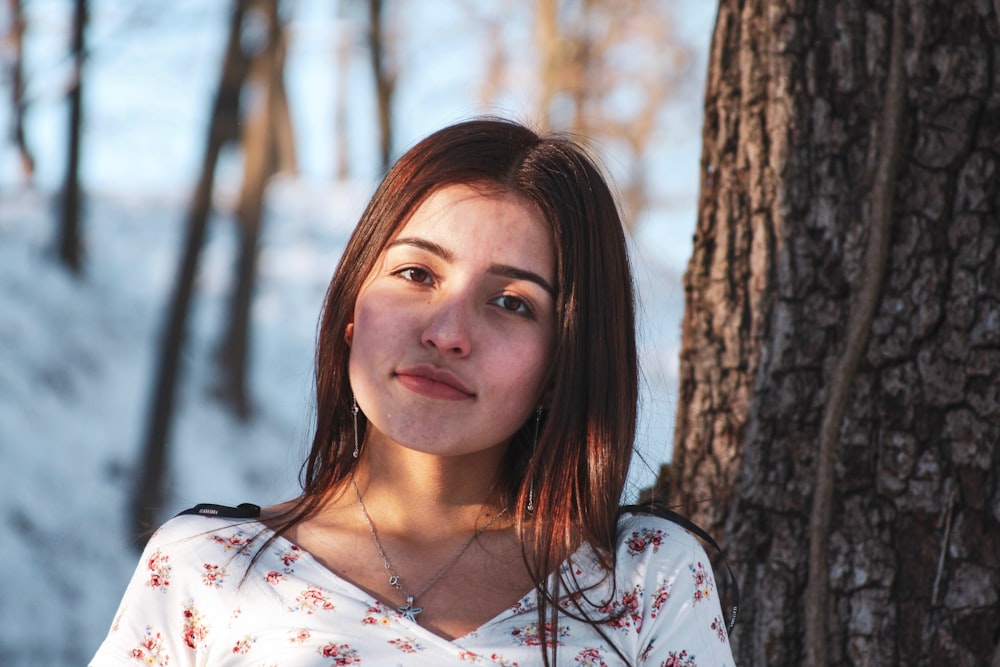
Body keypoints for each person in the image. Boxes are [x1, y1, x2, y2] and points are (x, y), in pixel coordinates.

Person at [90, 118, 736, 666]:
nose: (448, 331)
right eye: (416, 272)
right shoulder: (207, 567)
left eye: (511, 302)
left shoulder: (646, 576)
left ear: (563, 364)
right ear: (352, 310)